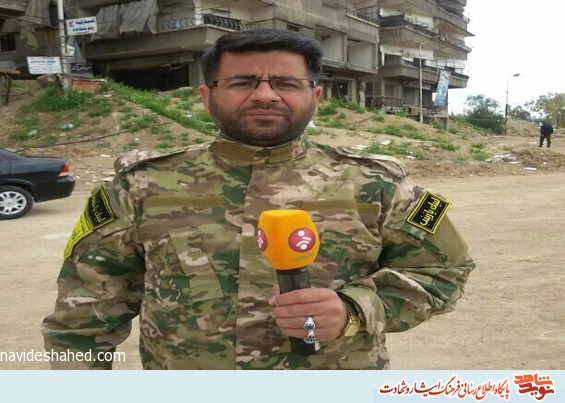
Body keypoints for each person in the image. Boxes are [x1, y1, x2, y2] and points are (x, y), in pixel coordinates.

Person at [41, 28, 475, 370]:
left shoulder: (377, 182)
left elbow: (443, 272)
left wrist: (355, 310)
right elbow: (83, 315)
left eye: (285, 82)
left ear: (315, 97)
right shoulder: (141, 184)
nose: (265, 94)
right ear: (207, 97)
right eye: (243, 82)